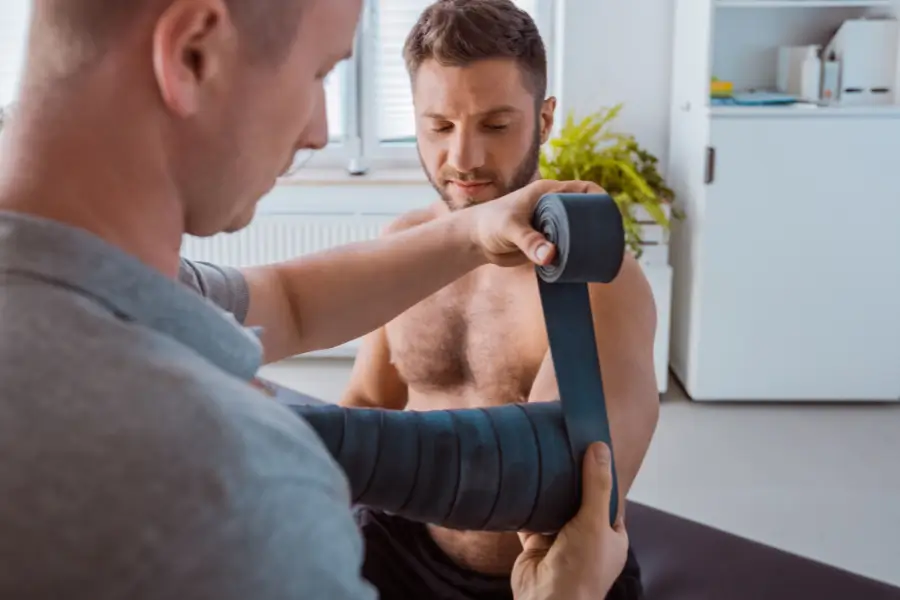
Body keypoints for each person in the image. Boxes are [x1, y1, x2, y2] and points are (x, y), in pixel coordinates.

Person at [0, 0, 629, 598]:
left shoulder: (91, 284)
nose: (321, 132)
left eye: (495, 124)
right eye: (317, 72)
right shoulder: (242, 500)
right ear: (193, 54)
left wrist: (469, 232)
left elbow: (289, 301)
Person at [339, 1, 660, 598]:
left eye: (495, 125)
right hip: (400, 544)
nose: (463, 159)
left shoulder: (597, 279)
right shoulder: (404, 244)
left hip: (550, 572)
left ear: (545, 119)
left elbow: (550, 479)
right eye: (440, 126)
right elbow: (368, 400)